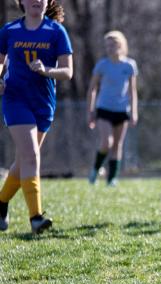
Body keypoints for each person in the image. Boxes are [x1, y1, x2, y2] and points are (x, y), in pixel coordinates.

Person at [0, 0, 73, 233]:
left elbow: (67, 72)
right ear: (21, 1)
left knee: (23, 162)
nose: (35, 0)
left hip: (43, 104)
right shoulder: (9, 31)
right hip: (15, 99)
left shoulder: (56, 32)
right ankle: (36, 218)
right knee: (31, 155)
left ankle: (1, 203)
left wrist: (46, 70)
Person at [86, 30, 139, 187]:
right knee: (106, 142)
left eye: (114, 44)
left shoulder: (130, 65)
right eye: (108, 45)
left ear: (121, 45)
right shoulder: (102, 65)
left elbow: (133, 91)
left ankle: (112, 179)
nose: (111, 48)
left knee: (117, 145)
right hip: (104, 109)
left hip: (122, 110)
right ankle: (95, 170)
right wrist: (90, 111)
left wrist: (134, 112)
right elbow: (92, 89)